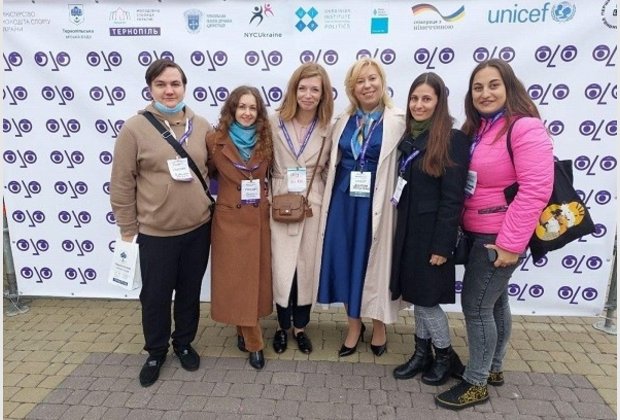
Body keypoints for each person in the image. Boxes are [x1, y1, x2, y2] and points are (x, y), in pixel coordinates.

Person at [435, 59, 554, 409]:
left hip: (499, 237)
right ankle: (494, 367)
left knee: (475, 306)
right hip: (478, 232)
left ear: (509, 88)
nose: (485, 93)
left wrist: (510, 244)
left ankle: (476, 383)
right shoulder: (480, 129)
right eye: (478, 87)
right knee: (495, 302)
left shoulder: (524, 128)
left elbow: (535, 190)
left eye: (493, 85)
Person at [110, 59, 213, 387]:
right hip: (156, 234)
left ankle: (183, 343)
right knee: (155, 296)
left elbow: (215, 171)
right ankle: (156, 351)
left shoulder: (202, 126)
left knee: (189, 292)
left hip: (198, 229)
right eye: (161, 84)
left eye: (175, 84)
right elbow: (122, 182)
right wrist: (128, 229)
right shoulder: (134, 129)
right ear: (150, 88)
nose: (169, 90)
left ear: (184, 87)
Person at [316, 57, 405, 357]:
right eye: (359, 81)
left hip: (377, 203)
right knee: (344, 261)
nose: (367, 86)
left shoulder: (398, 121)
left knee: (375, 263)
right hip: (343, 202)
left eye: (372, 79)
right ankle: (354, 325)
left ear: (382, 82)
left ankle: (379, 324)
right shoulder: (343, 121)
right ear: (351, 88)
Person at [390, 72, 470, 385]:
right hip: (409, 232)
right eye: (414, 98)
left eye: (426, 99)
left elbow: (453, 199)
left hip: (432, 236)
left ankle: (446, 356)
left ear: (439, 102)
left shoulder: (452, 139)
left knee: (427, 301)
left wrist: (442, 245)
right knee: (417, 296)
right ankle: (422, 353)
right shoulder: (410, 137)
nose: (418, 105)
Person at [206, 86, 273, 370]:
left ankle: (243, 330)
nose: (247, 113)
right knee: (237, 279)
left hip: (258, 219)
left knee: (252, 279)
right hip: (229, 220)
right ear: (232, 109)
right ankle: (254, 341)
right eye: (241, 107)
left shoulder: (267, 140)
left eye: (252, 108)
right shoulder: (214, 140)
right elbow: (207, 174)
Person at [270, 63, 334, 354]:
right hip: (280, 199)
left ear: (323, 94)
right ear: (293, 90)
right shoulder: (273, 122)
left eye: (315, 89)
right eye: (303, 88)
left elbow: (331, 168)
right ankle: (282, 327)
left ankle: (300, 327)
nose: (308, 95)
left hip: (312, 201)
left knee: (307, 266)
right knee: (282, 266)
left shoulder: (329, 127)